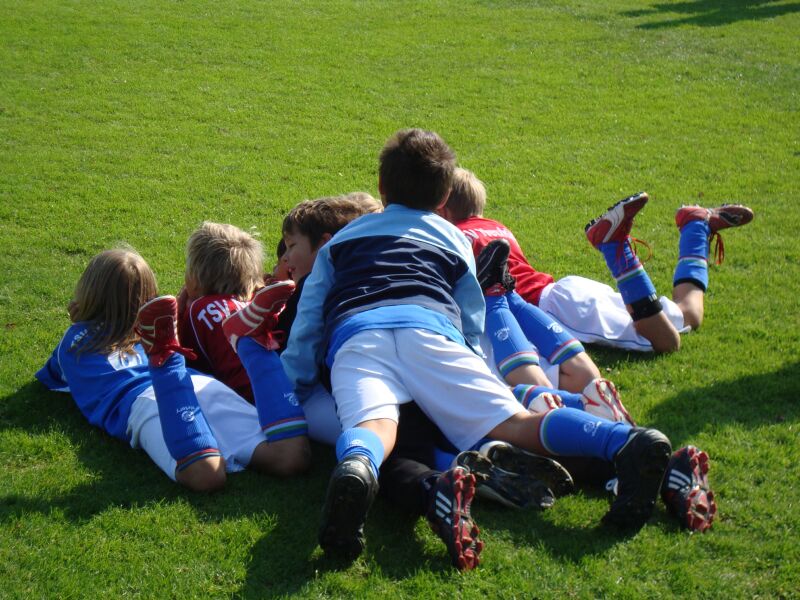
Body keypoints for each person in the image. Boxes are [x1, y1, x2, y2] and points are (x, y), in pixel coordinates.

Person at [282, 128, 679, 570]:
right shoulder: (452, 238)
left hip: (357, 338)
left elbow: (309, 318)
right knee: (515, 422)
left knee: (374, 428)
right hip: (431, 333)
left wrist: (295, 378)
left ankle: (357, 470)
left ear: (381, 187)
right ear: (444, 195)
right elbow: (470, 311)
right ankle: (623, 441)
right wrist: (467, 360)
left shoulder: (341, 242)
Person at [35, 248, 310, 492]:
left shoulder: (74, 341)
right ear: (149, 295)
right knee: (290, 456)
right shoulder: (162, 323)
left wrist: (80, 321)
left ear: (88, 293)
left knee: (205, 476)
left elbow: (52, 377)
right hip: (197, 383)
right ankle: (253, 343)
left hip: (143, 401)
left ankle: (163, 360)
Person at [440, 168, 753, 354]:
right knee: (688, 315)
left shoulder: (453, 237)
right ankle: (695, 225)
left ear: (442, 211)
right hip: (566, 291)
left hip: (554, 309)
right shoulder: (496, 226)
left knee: (666, 340)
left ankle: (618, 250)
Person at [178, 222, 264, 402]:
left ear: (195, 280)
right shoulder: (255, 303)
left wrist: (179, 314)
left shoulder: (199, 310)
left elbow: (185, 361)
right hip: (277, 389)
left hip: (245, 402)